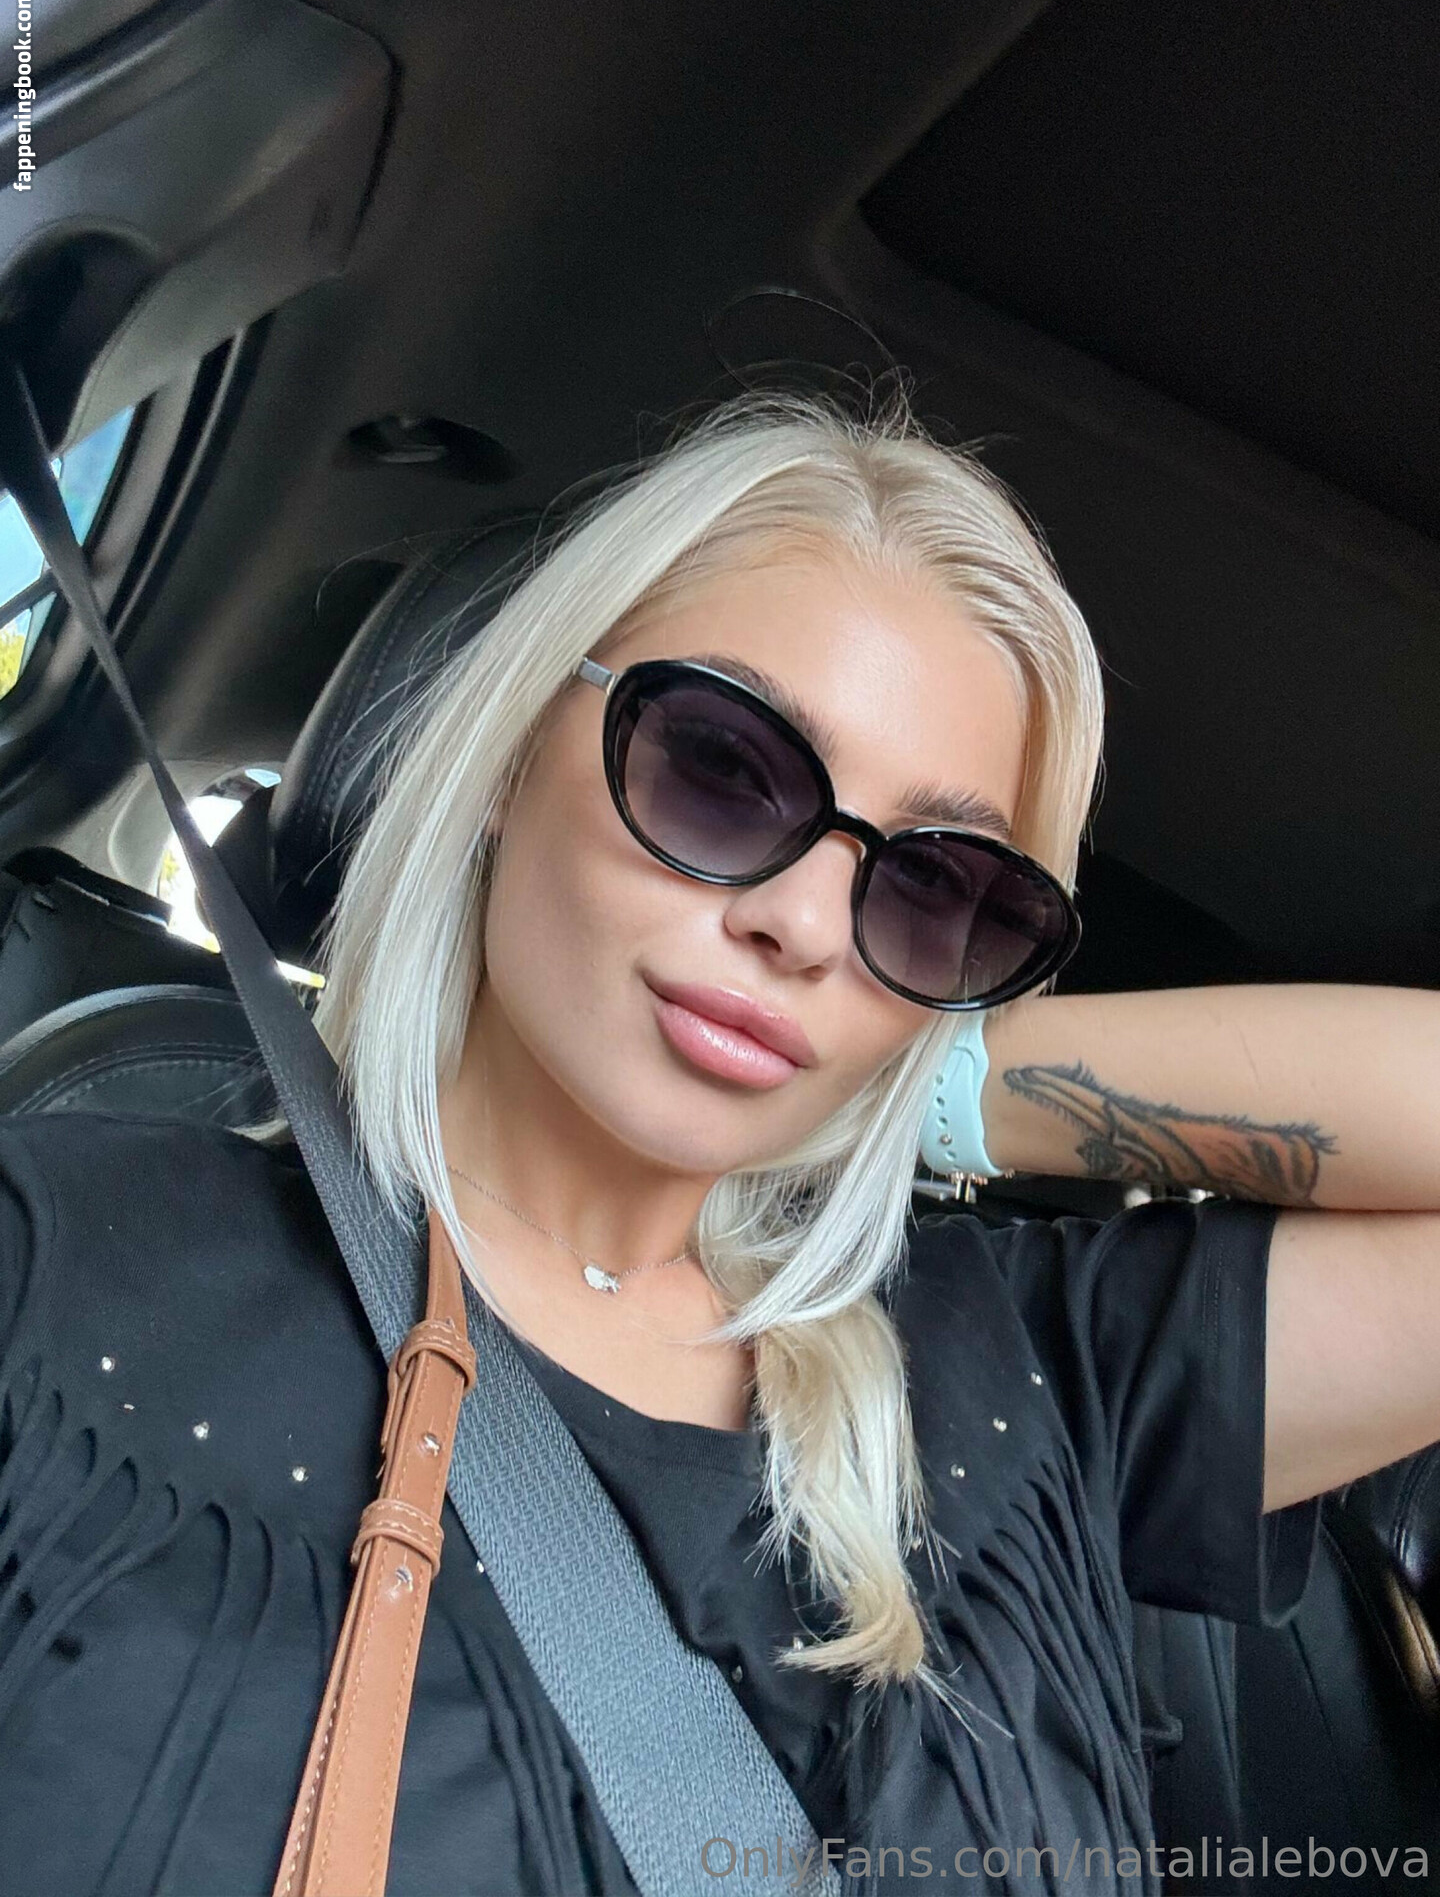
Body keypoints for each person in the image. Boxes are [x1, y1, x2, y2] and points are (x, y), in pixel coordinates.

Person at [1, 390, 1437, 1897]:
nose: (806, 924)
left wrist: (923, 1062)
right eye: (721, 766)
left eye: (935, 890)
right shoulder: (60, 1264)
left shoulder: (1029, 1368)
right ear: (510, 748)